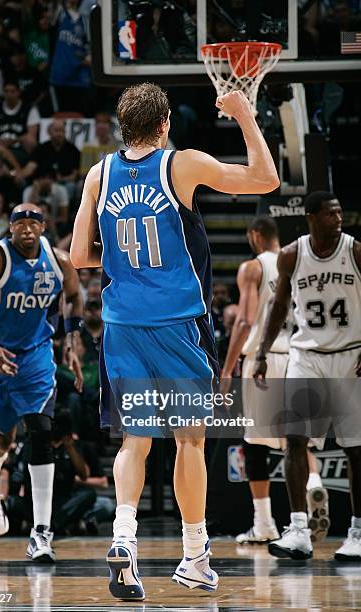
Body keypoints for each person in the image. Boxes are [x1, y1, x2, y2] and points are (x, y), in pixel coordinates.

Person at [70, 83, 279, 600]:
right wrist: (243, 115)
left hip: (121, 324)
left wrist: (123, 262)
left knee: (133, 441)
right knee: (189, 439)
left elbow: (79, 255)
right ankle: (193, 556)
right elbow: (266, 179)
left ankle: (123, 539)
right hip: (177, 322)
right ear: (165, 124)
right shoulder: (179, 164)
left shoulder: (98, 175)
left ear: (124, 126)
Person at [0, 203, 84, 562]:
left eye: (33, 222)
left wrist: (71, 341)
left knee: (41, 430)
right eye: (19, 223)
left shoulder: (59, 262)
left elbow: (74, 297)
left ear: (44, 227)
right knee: (3, 438)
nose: (26, 229)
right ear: (10, 229)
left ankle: (41, 532)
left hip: (37, 356)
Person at [254, 191, 361, 561]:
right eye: (331, 213)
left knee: (355, 448)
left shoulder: (355, 251)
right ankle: (298, 529)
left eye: (340, 212)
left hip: (351, 356)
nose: (338, 218)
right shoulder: (292, 255)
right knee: (295, 439)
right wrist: (263, 352)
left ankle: (358, 532)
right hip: (306, 356)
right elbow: (280, 305)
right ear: (311, 217)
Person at [221, 215, 329, 545]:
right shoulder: (298, 263)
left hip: (263, 361)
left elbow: (245, 321)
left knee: (254, 446)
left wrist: (227, 369)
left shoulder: (253, 268)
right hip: (301, 356)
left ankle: (264, 524)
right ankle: (313, 485)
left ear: (255, 235)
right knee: (299, 441)